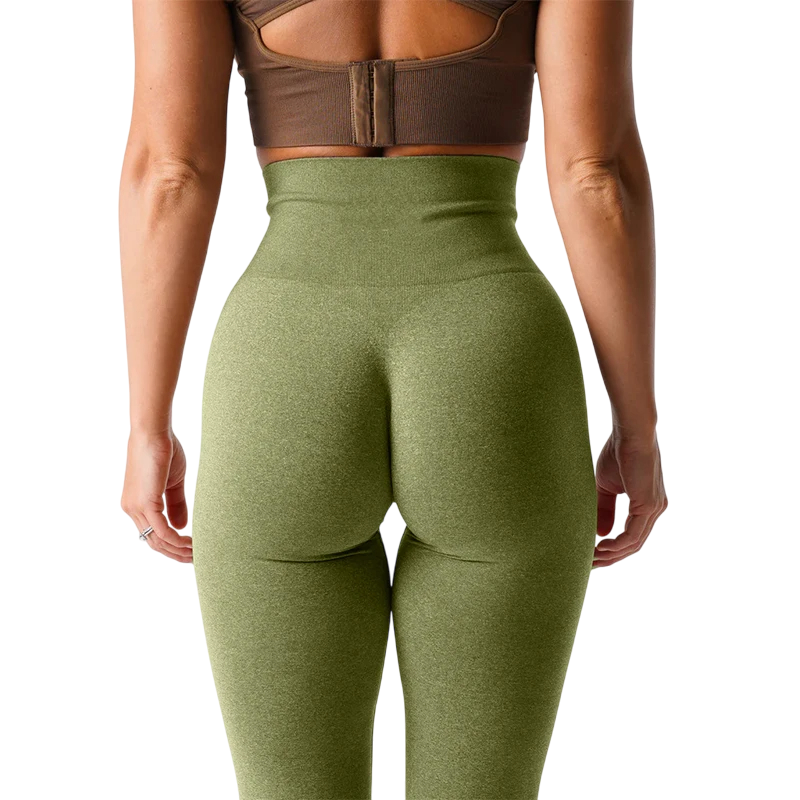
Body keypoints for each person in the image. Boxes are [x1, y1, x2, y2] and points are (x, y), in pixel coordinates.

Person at [119, 0, 667, 797]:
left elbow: (170, 171)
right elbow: (597, 173)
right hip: (491, 355)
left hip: (284, 359)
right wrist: (638, 428)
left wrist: (146, 424)